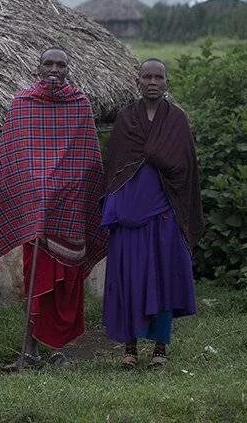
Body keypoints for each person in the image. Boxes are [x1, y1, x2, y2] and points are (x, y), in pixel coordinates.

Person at [0, 47, 107, 370]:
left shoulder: (80, 106)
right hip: (34, 215)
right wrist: (34, 193)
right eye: (48, 64)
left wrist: (66, 189)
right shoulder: (23, 105)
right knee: (36, 284)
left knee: (67, 286)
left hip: (69, 212)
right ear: (37, 68)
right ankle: (29, 351)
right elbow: (14, 160)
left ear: (69, 69)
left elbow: (89, 162)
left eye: (61, 64)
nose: (54, 69)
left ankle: (59, 352)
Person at [101, 58, 203, 368]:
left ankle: (160, 349)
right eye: (147, 76)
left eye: (159, 77)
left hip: (165, 214)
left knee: (162, 278)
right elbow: (116, 169)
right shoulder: (126, 120)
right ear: (137, 81)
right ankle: (129, 349)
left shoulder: (176, 121)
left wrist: (158, 156)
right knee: (129, 278)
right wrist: (116, 211)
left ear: (166, 82)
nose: (153, 82)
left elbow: (185, 169)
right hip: (129, 218)